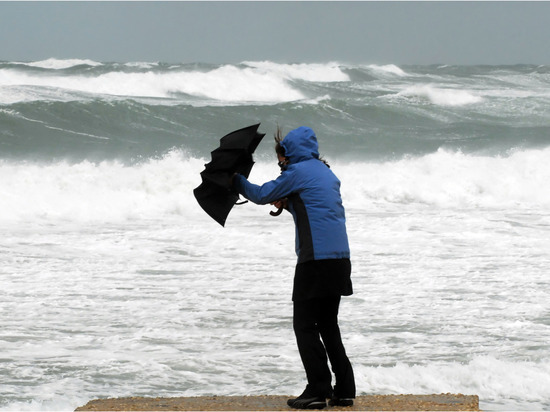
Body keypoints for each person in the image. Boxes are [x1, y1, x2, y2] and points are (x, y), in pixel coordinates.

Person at [232, 126, 356, 410]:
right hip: (340, 259)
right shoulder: (326, 172)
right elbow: (315, 207)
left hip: (315, 260)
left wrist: (235, 180)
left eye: (280, 160)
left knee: (304, 325)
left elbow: (262, 194)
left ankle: (317, 389)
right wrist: (289, 204)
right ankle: (345, 389)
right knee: (328, 324)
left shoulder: (297, 173)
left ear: (288, 154)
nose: (280, 165)